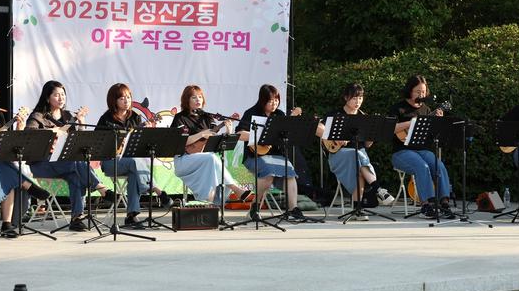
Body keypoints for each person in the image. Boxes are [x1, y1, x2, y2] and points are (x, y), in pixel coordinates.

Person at [26, 80, 116, 232]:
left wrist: (81, 124)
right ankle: (100, 187)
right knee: (76, 163)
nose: (61, 98)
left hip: (66, 164)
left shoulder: (67, 116)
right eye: (56, 95)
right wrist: (51, 131)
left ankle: (76, 218)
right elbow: (29, 135)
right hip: (42, 164)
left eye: (63, 94)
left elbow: (78, 143)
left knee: (76, 175)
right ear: (47, 98)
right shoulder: (38, 116)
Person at [0, 81, 50, 238]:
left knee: (3, 165)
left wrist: (20, 127)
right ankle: (27, 185)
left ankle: (7, 224)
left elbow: (8, 144)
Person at [96, 83, 172, 228]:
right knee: (134, 163)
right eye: (122, 98)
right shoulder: (106, 119)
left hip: (130, 162)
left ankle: (131, 216)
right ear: (113, 101)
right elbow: (99, 145)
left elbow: (139, 146)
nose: (126, 100)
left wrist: (146, 132)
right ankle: (156, 190)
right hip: (110, 162)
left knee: (134, 173)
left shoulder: (135, 117)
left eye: (128, 97)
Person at [321, 83, 395, 221]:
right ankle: (378, 189)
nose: (358, 102)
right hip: (339, 155)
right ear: (346, 98)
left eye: (360, 98)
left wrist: (373, 135)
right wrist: (336, 138)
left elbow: (367, 145)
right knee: (356, 155)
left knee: (359, 161)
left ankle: (357, 209)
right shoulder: (335, 115)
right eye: (354, 98)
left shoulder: (363, 117)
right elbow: (319, 128)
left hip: (359, 157)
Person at [236, 84, 309, 220]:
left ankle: (293, 209)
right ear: (262, 100)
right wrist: (260, 135)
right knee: (268, 172)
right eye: (270, 100)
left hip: (276, 156)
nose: (274, 103)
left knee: (290, 171)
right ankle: (255, 206)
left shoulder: (279, 114)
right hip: (254, 157)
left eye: (276, 100)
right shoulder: (251, 113)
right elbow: (239, 134)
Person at [169, 85, 252, 204]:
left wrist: (228, 132)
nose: (198, 100)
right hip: (183, 159)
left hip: (204, 158)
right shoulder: (180, 118)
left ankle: (212, 200)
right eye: (194, 97)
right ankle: (234, 188)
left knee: (211, 159)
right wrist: (201, 135)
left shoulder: (207, 117)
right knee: (211, 158)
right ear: (187, 100)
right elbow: (179, 142)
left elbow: (216, 140)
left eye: (200, 97)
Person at [389, 75, 455, 219]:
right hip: (401, 151)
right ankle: (427, 205)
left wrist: (438, 122)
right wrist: (411, 122)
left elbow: (433, 135)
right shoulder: (398, 108)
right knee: (422, 166)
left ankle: (444, 203)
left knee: (439, 166)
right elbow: (390, 128)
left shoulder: (426, 109)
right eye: (418, 91)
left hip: (422, 149)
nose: (421, 95)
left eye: (424, 92)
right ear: (410, 91)